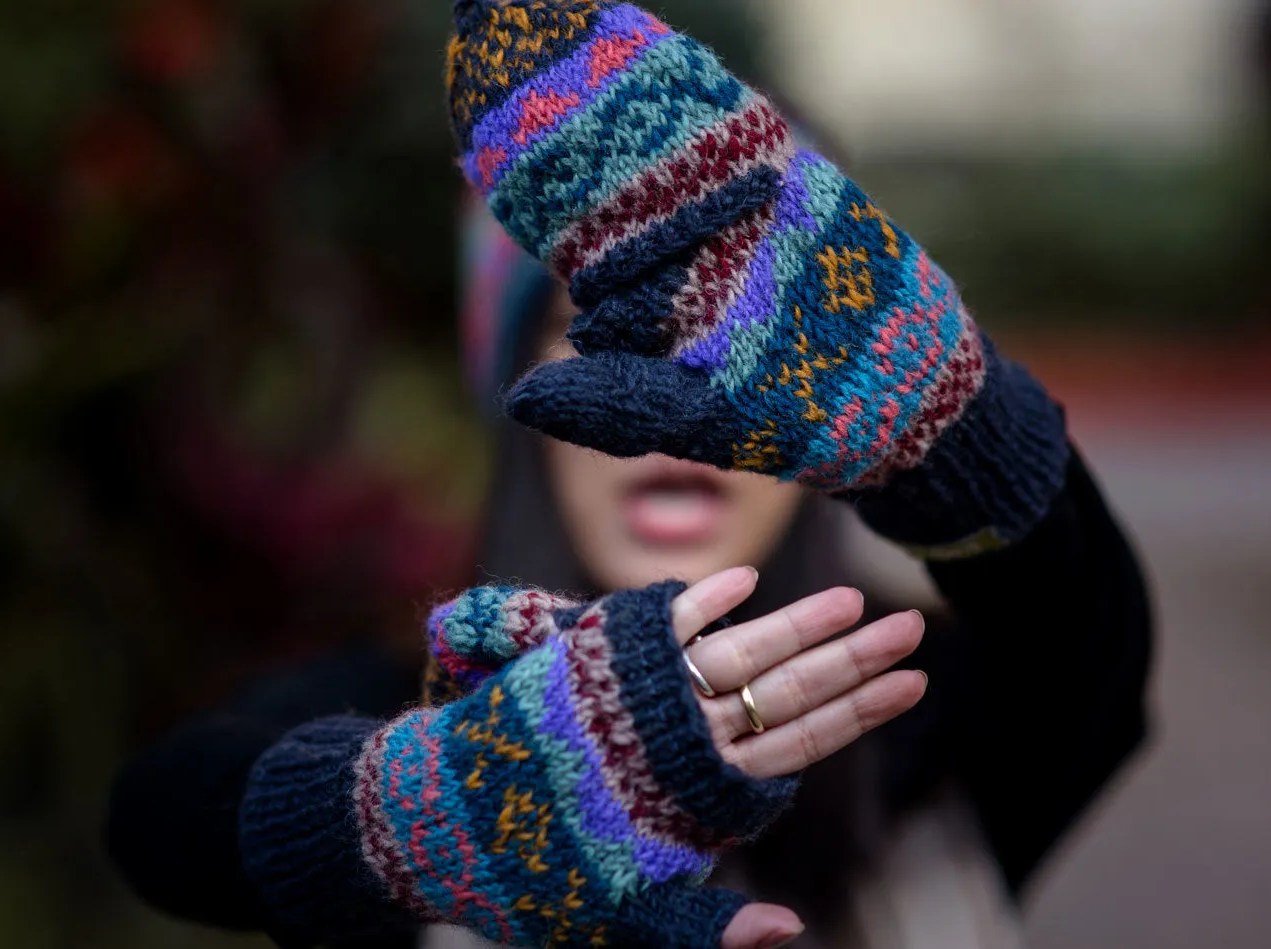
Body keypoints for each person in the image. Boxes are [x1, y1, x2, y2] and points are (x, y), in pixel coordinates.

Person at [106, 2, 1152, 947]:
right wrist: (392, 817)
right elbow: (160, 815)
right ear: (522, 398)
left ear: (846, 419)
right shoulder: (411, 716)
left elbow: (1086, 626)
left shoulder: (930, 703)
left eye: (733, 362)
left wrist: (952, 432)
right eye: (597, 340)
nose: (671, 420)